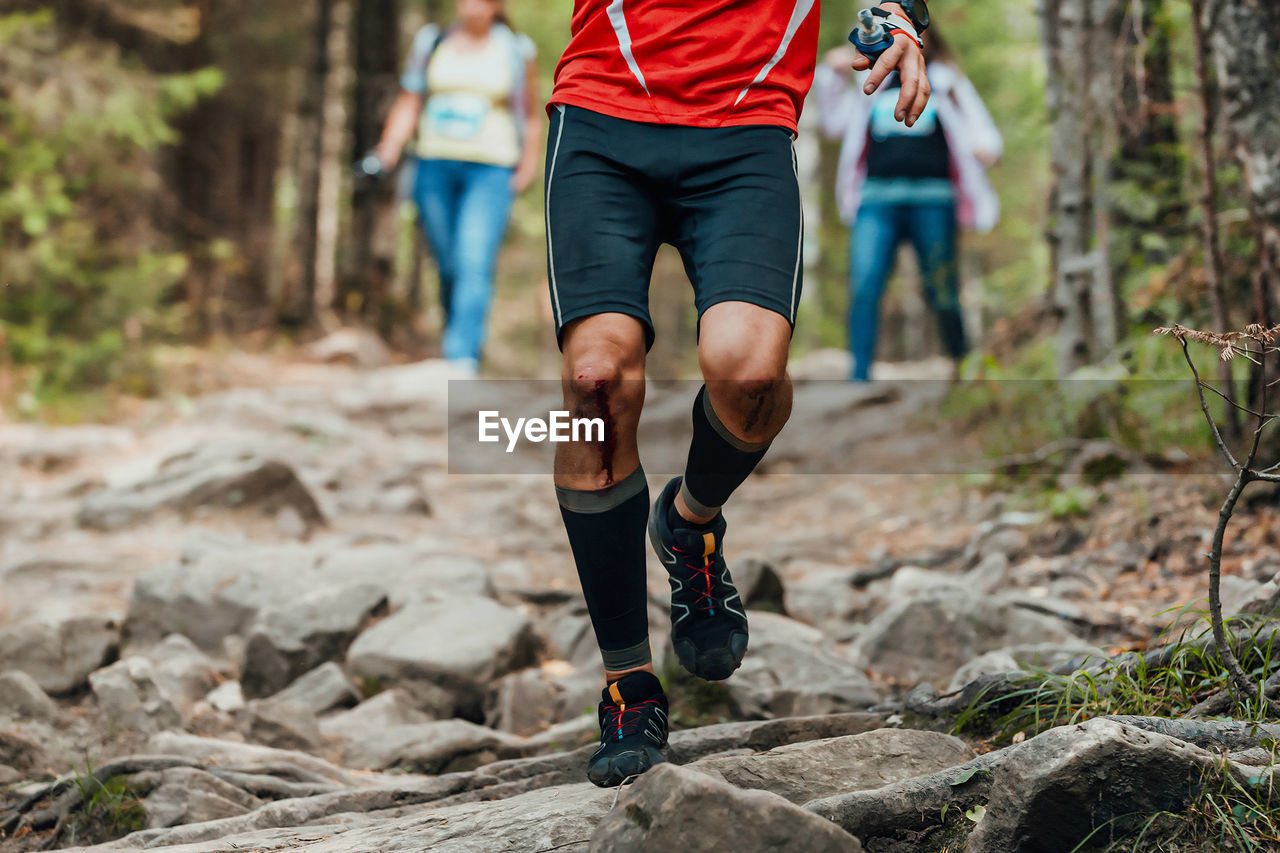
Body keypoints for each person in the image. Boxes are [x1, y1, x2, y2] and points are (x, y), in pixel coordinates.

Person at [543, 0, 932, 786]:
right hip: (602, 114)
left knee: (749, 371)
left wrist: (901, 19)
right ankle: (628, 682)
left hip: (747, 121)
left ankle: (688, 526)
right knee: (594, 383)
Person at [815, 26, 1002, 382]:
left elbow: (983, 131)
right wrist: (831, 76)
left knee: (942, 288)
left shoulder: (947, 81)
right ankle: (859, 377)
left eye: (915, 33)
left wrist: (986, 149)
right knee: (866, 284)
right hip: (875, 201)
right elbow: (833, 125)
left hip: (934, 200)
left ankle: (964, 370)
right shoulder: (870, 81)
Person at [374, 0, 540, 373]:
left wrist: (528, 163)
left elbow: (529, 113)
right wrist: (389, 147)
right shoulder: (432, 41)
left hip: (492, 168)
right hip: (433, 164)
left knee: (473, 259)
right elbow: (410, 98)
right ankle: (458, 336)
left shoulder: (515, 48)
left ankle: (461, 356)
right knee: (448, 263)